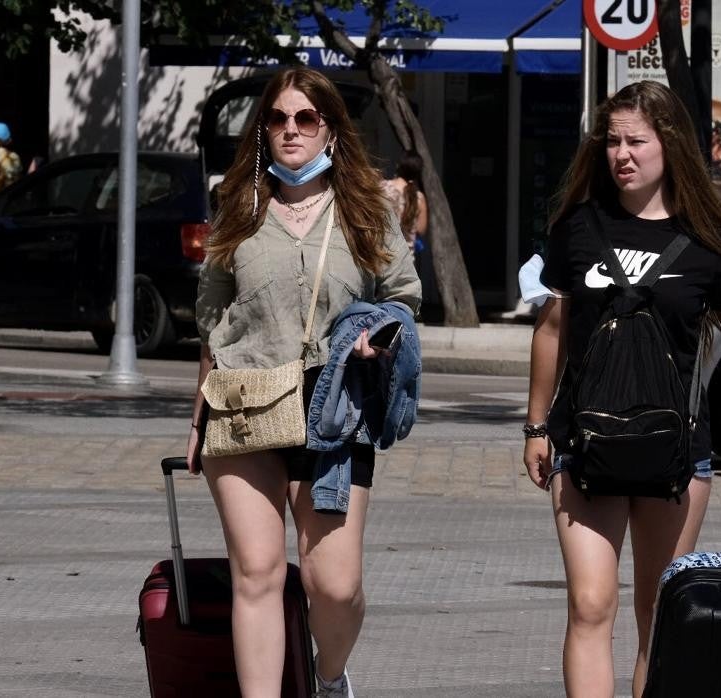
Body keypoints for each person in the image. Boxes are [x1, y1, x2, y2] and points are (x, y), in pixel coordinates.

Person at [523, 80, 721, 698]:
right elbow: (552, 329)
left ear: (668, 145)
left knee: (657, 612)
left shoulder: (709, 238)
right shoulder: (578, 227)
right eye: (612, 141)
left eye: (636, 141)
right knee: (590, 605)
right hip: (581, 444)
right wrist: (536, 425)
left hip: (677, 451)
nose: (622, 154)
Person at [187, 66, 421, 698]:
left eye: (306, 119)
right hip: (245, 405)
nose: (291, 130)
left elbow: (403, 296)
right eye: (278, 118)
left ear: (331, 132)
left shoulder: (367, 209)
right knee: (256, 573)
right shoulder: (238, 206)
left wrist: (382, 336)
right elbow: (212, 316)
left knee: (334, 584)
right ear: (263, 130)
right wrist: (197, 412)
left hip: (336, 408)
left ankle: (328, 677)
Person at [382, 151, 429, 250]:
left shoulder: (382, 188)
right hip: (406, 258)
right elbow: (421, 229)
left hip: (382, 253)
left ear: (398, 166)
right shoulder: (419, 197)